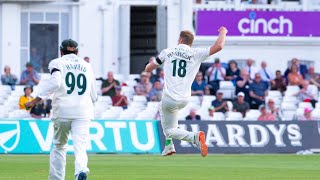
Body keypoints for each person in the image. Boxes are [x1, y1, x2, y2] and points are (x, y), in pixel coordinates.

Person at [144, 27, 228, 157]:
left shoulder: (168, 52)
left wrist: (149, 65)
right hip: (185, 99)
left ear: (181, 39)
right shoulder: (196, 53)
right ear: (190, 42)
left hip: (169, 97)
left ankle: (194, 137)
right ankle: (169, 145)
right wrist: (223, 32)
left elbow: (149, 69)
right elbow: (219, 46)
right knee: (162, 109)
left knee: (169, 130)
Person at [25, 39, 97, 180]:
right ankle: (80, 171)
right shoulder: (87, 66)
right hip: (83, 112)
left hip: (63, 111)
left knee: (59, 146)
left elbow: (55, 82)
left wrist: (35, 100)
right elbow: (94, 94)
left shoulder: (57, 62)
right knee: (80, 146)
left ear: (61, 51)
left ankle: (57, 178)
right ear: (77, 52)